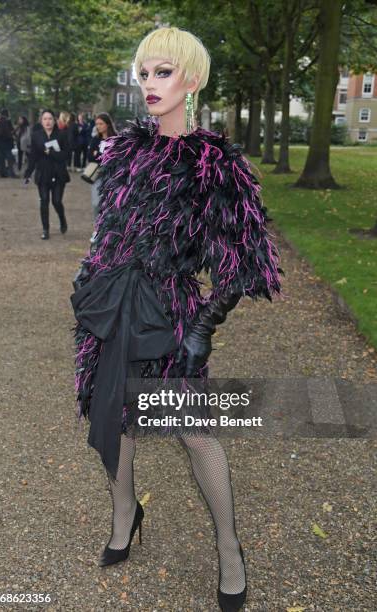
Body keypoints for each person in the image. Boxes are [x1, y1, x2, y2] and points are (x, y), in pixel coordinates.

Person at [70, 27, 284, 611]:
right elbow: (106, 229)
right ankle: (123, 514)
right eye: (143, 73)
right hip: (111, 306)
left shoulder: (217, 165)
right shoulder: (122, 151)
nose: (149, 85)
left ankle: (231, 548)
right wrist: (88, 272)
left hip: (169, 314)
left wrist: (202, 327)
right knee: (112, 413)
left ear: (190, 78)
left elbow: (249, 265)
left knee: (196, 432)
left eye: (162, 72)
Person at [24, 109, 69, 240]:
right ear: (41, 121)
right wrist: (28, 173)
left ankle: (62, 219)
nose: (48, 121)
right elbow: (33, 156)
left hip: (58, 173)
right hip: (42, 173)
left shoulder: (61, 135)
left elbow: (66, 155)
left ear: (54, 121)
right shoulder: (36, 135)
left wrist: (51, 152)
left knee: (56, 201)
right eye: (45, 119)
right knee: (44, 201)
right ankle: (45, 229)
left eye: (50, 119)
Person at [86, 112, 117, 222]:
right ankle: (97, 228)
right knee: (96, 203)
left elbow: (116, 157)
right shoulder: (95, 139)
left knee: (110, 204)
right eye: (97, 124)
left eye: (101, 123)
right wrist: (103, 155)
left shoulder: (116, 139)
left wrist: (98, 154)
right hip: (97, 175)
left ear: (107, 124)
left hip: (112, 176)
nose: (98, 126)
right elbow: (89, 157)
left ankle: (108, 230)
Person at [0, 108, 18, 178]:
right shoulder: (7, 121)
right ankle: (11, 173)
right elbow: (10, 131)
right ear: (7, 113)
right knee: (10, 158)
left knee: (2, 159)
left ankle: (2, 173)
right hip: (7, 143)